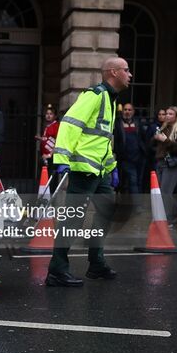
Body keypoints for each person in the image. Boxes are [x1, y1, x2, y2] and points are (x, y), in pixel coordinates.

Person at [47, 57, 131, 287]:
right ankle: (57, 270)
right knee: (73, 220)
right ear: (113, 72)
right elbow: (69, 124)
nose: (130, 74)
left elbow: (102, 140)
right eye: (126, 70)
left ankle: (96, 263)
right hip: (84, 170)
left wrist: (112, 167)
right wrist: (61, 158)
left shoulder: (111, 100)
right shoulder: (94, 95)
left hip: (100, 171)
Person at [152, 106, 177, 224]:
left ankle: (169, 218)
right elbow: (153, 145)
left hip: (172, 163)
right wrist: (156, 138)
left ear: (176, 117)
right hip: (161, 162)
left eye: (171, 114)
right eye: (167, 113)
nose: (167, 115)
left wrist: (165, 140)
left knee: (165, 193)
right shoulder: (164, 128)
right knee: (161, 193)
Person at [113, 102, 146, 194]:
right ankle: (134, 202)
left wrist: (144, 151)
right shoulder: (118, 123)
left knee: (138, 182)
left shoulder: (137, 123)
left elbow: (143, 138)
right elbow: (115, 140)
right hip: (125, 159)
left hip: (138, 158)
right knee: (130, 182)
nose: (127, 112)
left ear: (133, 112)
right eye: (125, 109)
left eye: (129, 110)